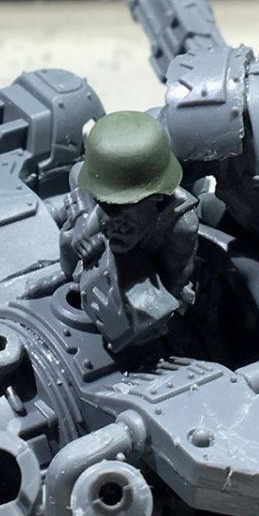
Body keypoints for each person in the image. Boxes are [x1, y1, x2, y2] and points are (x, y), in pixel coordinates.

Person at [60, 110, 198, 353]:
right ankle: (68, 278)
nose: (113, 218)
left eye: (126, 207)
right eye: (107, 204)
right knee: (68, 238)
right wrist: (82, 221)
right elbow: (77, 175)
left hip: (148, 272)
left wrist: (163, 313)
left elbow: (176, 276)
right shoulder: (102, 178)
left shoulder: (180, 224)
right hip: (105, 259)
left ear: (157, 197)